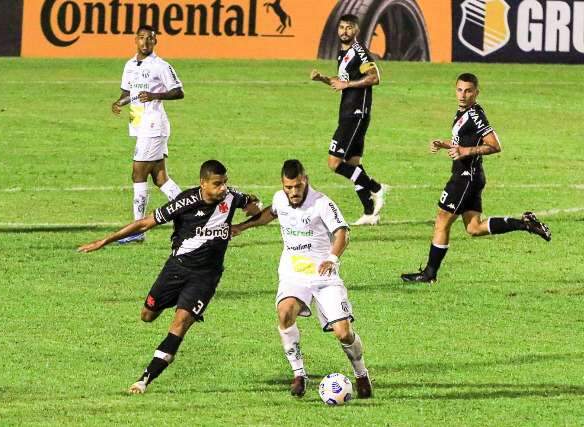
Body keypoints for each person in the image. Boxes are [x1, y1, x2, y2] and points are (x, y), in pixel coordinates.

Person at [78, 160, 260, 394]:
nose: (223, 188)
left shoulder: (232, 197)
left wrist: (246, 219)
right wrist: (104, 241)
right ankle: (177, 299)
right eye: (217, 184)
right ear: (203, 183)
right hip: (176, 269)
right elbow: (144, 223)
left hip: (206, 277)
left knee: (180, 323)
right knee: (147, 315)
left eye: (225, 182)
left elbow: (255, 205)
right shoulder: (186, 201)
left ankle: (144, 380)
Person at [232, 159, 373, 399]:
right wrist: (241, 227)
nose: (294, 192)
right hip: (293, 273)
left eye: (297, 186)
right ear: (283, 185)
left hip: (323, 274)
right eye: (289, 188)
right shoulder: (279, 199)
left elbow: (342, 232)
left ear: (305, 180)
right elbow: (270, 214)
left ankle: (361, 374)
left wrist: (332, 258)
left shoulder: (322, 203)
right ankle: (299, 374)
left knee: (343, 333)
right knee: (285, 312)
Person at [401, 73, 551, 284]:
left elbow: (494, 145)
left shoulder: (476, 115)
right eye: (459, 90)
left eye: (468, 90)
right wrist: (445, 144)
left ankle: (429, 274)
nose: (463, 95)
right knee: (474, 227)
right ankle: (525, 224)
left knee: (442, 219)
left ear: (476, 93)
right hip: (471, 175)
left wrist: (465, 150)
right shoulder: (463, 112)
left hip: (465, 177)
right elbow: (463, 140)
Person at [310, 14, 386, 226]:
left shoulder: (359, 52)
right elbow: (341, 82)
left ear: (356, 31)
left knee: (334, 163)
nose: (344, 31)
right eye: (342, 27)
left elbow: (374, 77)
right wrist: (323, 79)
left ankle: (376, 188)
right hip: (349, 112)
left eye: (349, 28)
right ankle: (370, 213)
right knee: (353, 164)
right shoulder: (343, 53)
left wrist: (348, 85)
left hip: (356, 114)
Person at [112, 25, 184, 244]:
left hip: (153, 126)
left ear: (155, 42)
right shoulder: (130, 65)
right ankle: (192, 214)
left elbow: (178, 91)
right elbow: (129, 92)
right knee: (161, 179)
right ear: (135, 40)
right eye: (142, 38)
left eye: (150, 39)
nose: (145, 42)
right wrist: (119, 102)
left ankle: (137, 229)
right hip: (139, 125)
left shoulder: (160, 66)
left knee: (138, 174)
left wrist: (154, 94)